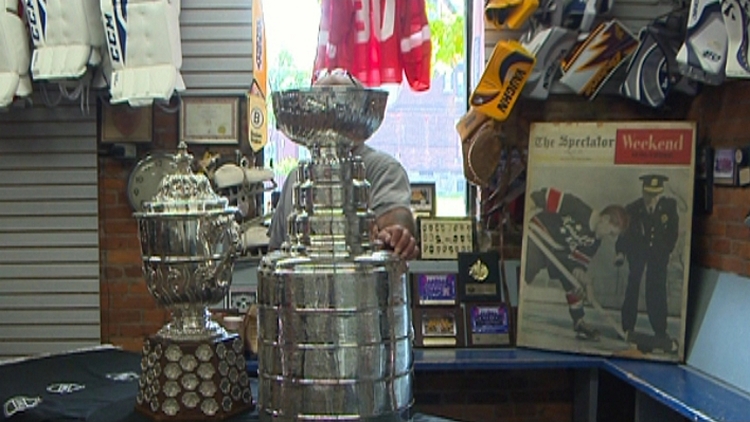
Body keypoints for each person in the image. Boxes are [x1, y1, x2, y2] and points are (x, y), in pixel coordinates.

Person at [267, 141, 420, 260]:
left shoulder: (383, 168)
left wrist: (396, 236)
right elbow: (276, 252)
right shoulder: (295, 178)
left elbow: (396, 221)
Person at [524, 187, 629, 340]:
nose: (610, 238)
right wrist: (525, 214)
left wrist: (582, 277)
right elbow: (540, 197)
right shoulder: (578, 207)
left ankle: (579, 321)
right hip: (536, 236)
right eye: (611, 233)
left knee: (574, 284)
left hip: (556, 251)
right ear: (605, 219)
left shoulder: (594, 242)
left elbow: (576, 264)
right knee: (529, 267)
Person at [615, 174, 679, 347]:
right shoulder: (633, 209)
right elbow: (624, 233)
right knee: (633, 285)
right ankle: (627, 326)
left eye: (656, 195)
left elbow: (673, 232)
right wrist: (620, 252)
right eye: (649, 195)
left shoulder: (669, 207)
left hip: (658, 255)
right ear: (643, 192)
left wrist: (667, 250)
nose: (653, 199)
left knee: (656, 288)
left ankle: (660, 330)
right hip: (637, 252)